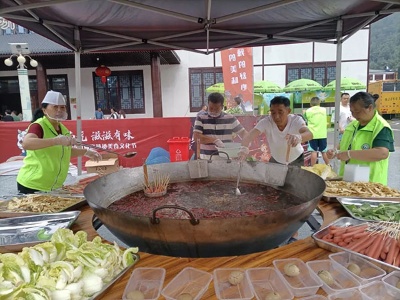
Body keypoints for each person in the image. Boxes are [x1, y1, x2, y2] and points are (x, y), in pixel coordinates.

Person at [16, 91, 102, 194]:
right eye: (55, 107)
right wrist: (55, 141)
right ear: (44, 110)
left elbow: (64, 152)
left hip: (53, 186)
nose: (59, 110)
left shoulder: (63, 129)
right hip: (33, 184)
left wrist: (86, 152)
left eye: (62, 107)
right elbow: (27, 143)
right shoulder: (38, 126)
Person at [326, 92, 394, 185]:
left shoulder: (382, 127)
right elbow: (344, 144)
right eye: (352, 112)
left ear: (370, 108)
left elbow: (382, 153)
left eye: (357, 111)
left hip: (370, 185)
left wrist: (349, 154)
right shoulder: (352, 125)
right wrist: (335, 151)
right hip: (348, 181)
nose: (354, 115)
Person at [239, 96, 313, 166]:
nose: (276, 116)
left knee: (294, 179)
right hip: (276, 159)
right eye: (273, 113)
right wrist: (243, 149)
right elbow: (249, 137)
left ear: (288, 111)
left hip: (296, 159)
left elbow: (309, 134)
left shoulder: (296, 120)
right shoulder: (266, 122)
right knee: (274, 179)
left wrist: (298, 137)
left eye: (280, 112)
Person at [193, 92, 247, 159]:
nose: (213, 111)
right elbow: (196, 137)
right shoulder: (201, 118)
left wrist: (245, 146)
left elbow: (244, 133)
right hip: (207, 160)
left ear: (222, 107)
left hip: (227, 160)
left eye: (216, 109)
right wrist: (214, 140)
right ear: (208, 105)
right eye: (211, 108)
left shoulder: (230, 118)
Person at [304, 97, 329, 165]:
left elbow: (305, 119)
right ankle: (329, 165)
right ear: (319, 103)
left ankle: (313, 168)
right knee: (324, 151)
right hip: (322, 134)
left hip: (312, 134)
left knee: (313, 151)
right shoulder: (324, 110)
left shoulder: (308, 111)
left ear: (310, 103)